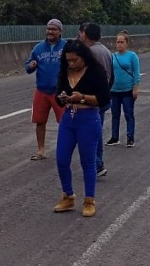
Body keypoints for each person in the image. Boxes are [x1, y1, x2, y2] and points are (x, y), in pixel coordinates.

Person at [53, 40, 110, 217]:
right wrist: (62, 98)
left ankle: (89, 200)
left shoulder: (96, 71)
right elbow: (57, 95)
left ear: (84, 57)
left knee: (88, 162)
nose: (71, 64)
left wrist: (82, 98)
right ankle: (68, 196)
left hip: (88, 119)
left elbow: (103, 99)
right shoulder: (64, 71)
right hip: (68, 119)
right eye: (68, 60)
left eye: (75, 60)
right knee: (61, 159)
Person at [25, 18, 65, 161]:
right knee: (40, 121)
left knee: (65, 122)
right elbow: (28, 66)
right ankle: (41, 150)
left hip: (60, 92)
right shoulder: (38, 48)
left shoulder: (66, 46)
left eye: (53, 29)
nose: (50, 31)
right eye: (48, 28)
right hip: (42, 90)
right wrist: (31, 65)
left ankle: (63, 149)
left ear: (60, 31)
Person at [79, 23, 112, 177]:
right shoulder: (105, 50)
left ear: (85, 34)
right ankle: (98, 163)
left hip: (91, 100)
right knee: (96, 133)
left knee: (89, 135)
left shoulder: (89, 52)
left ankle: (96, 164)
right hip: (102, 98)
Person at [106, 32, 140, 147]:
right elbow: (109, 73)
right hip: (114, 90)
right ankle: (114, 137)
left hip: (127, 90)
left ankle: (130, 137)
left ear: (127, 43)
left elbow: (136, 73)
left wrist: (135, 88)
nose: (119, 44)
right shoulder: (112, 56)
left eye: (122, 42)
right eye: (117, 42)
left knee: (129, 114)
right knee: (115, 114)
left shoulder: (132, 56)